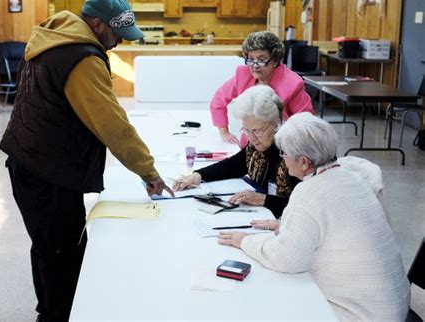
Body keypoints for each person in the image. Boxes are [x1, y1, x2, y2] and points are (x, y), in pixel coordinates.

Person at [0, 0, 173, 321]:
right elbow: (111, 123)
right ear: (97, 25)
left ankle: (49, 308)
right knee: (62, 252)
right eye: (116, 35)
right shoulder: (81, 58)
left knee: (47, 245)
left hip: (27, 159)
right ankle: (56, 315)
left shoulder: (52, 37)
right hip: (48, 170)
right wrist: (148, 171)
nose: (119, 43)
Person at [218, 113, 410, 321]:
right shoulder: (352, 176)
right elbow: (338, 226)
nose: (282, 158)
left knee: (264, 301)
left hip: (359, 314)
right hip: (392, 306)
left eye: (284, 154)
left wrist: (245, 241)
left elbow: (287, 259)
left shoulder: (309, 191)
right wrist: (287, 224)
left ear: (303, 162)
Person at [173, 86, 299, 218]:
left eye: (257, 131)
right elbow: (234, 165)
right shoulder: (256, 147)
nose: (250, 138)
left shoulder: (292, 154)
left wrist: (264, 200)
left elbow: (302, 207)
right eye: (246, 130)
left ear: (276, 125)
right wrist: (199, 175)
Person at [210, 31, 314, 145]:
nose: (255, 65)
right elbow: (218, 101)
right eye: (250, 58)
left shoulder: (293, 83)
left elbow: (307, 123)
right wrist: (224, 132)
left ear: (275, 60)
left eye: (261, 59)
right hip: (248, 143)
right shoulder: (242, 75)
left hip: (281, 144)